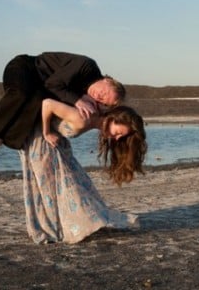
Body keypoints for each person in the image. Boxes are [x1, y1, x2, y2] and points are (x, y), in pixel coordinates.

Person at [19, 98, 147, 244]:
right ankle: (53, 229)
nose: (117, 138)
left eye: (120, 136)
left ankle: (62, 227)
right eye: (118, 132)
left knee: (76, 186)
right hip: (41, 143)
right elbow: (47, 104)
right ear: (112, 119)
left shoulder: (94, 117)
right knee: (48, 190)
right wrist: (46, 132)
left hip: (55, 146)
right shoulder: (83, 119)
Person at [0, 52, 125, 164]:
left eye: (103, 100)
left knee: (38, 104)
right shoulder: (87, 66)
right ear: (106, 79)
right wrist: (77, 100)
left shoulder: (88, 98)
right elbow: (52, 83)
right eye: (103, 92)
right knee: (22, 94)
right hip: (24, 68)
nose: (98, 96)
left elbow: (52, 102)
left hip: (37, 90)